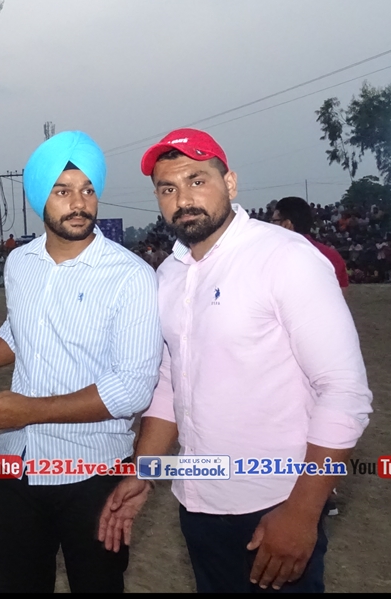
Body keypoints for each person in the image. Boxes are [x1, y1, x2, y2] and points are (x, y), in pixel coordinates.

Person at [99, 128, 373, 592]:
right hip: (197, 505)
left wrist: (302, 513)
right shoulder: (169, 275)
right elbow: (170, 384)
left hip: (277, 504)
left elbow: (345, 393)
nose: (184, 199)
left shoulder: (285, 257)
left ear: (230, 183)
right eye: (168, 188)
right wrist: (143, 472)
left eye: (197, 180)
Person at [0, 131, 161, 593]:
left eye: (87, 190)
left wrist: (29, 411)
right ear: (39, 200)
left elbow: (132, 389)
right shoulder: (21, 263)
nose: (79, 203)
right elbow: (19, 333)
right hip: (15, 466)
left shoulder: (131, 276)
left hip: (93, 473)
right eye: (62, 191)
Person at [271, 197, 349, 293]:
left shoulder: (275, 256)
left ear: (287, 224)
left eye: (274, 221)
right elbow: (341, 294)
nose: (270, 226)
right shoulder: (331, 255)